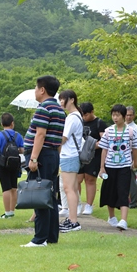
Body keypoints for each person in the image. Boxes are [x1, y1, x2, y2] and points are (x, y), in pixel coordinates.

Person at [21, 75, 65, 247]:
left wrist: (33, 158)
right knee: (50, 196)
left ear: (42, 90)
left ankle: (39, 239)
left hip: (42, 155)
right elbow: (59, 137)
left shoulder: (43, 108)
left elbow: (40, 134)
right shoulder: (60, 109)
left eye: (35, 87)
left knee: (39, 195)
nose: (35, 90)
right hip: (53, 154)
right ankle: (51, 236)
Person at [98, 104, 137, 230]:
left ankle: (123, 220)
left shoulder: (131, 131)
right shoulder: (108, 131)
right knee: (109, 191)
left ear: (123, 116)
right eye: (113, 115)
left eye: (118, 115)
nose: (115, 118)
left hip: (124, 166)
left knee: (123, 191)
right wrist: (102, 167)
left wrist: (135, 162)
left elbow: (135, 148)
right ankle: (112, 217)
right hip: (110, 166)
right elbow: (104, 150)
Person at [58, 90, 83, 233]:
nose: (61, 102)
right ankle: (72, 219)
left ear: (72, 100)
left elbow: (64, 138)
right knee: (71, 189)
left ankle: (73, 221)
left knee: (69, 189)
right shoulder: (76, 116)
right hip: (72, 156)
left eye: (63, 99)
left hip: (69, 156)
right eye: (60, 100)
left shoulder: (72, 117)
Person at [77, 102, 108, 215]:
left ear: (92, 112)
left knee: (90, 179)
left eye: (86, 115)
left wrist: (92, 146)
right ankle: (77, 204)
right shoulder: (79, 121)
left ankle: (89, 205)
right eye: (82, 115)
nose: (84, 117)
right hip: (80, 155)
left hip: (93, 156)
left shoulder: (99, 123)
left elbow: (104, 141)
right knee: (77, 180)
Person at [0, 113, 24, 219]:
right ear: (12, 123)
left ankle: (7, 212)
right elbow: (22, 150)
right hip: (15, 164)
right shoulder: (17, 135)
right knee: (14, 188)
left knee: (6, 189)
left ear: (1, 123)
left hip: (3, 164)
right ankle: (12, 211)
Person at [126, 106, 137, 209]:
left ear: (134, 116)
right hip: (124, 154)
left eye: (130, 115)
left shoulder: (136, 128)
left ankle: (133, 203)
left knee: (132, 179)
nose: (128, 117)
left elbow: (136, 146)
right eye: (127, 115)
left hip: (132, 154)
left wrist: (134, 160)